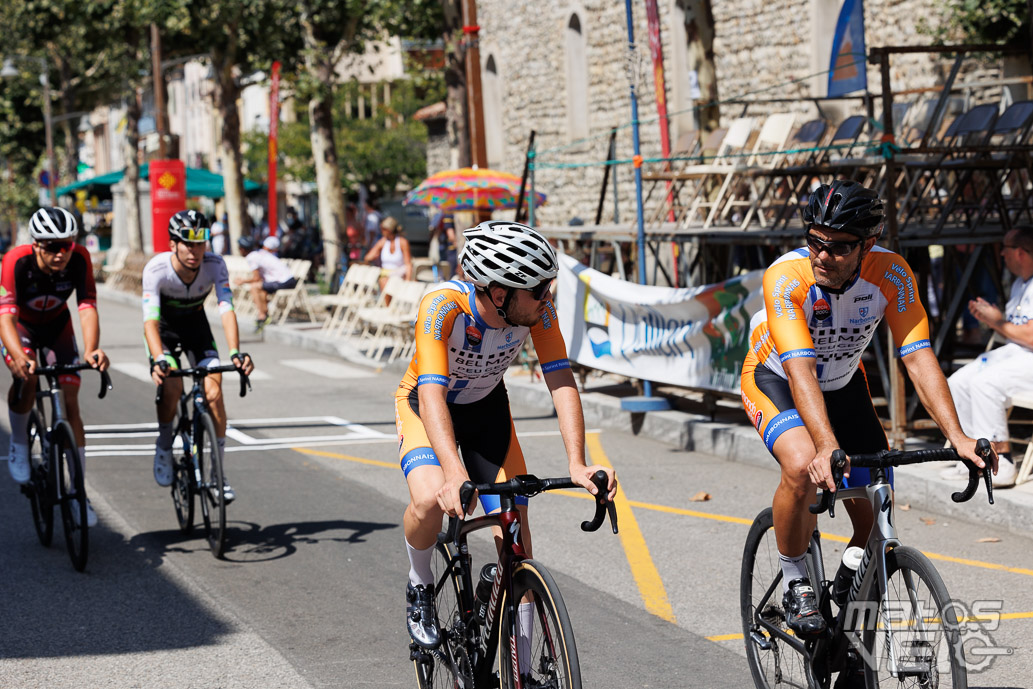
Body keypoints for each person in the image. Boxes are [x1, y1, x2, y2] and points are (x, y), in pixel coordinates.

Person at [739, 180, 992, 642]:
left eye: (837, 248)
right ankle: (796, 580)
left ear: (868, 245)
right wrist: (826, 445)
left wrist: (957, 435)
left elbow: (918, 357)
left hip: (844, 384)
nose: (821, 255)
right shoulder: (785, 277)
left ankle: (854, 642)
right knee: (801, 465)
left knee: (878, 519)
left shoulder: (891, 274)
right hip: (778, 378)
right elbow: (800, 371)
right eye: (814, 241)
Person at [396, 220, 617, 655]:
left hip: (485, 409)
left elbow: (561, 380)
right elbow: (432, 393)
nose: (547, 298)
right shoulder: (443, 307)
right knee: (427, 499)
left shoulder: (537, 309)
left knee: (517, 537)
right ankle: (420, 584)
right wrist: (453, 473)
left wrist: (578, 461)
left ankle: (525, 672)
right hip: (427, 405)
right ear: (500, 294)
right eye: (539, 290)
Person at [1, 207, 110, 526]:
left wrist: (91, 350)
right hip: (21, 328)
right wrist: (19, 357)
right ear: (36, 245)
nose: (61, 253)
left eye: (67, 244)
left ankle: (78, 492)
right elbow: (5, 316)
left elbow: (87, 305)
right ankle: (19, 443)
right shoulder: (16, 260)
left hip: (58, 328)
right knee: (28, 378)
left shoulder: (79, 258)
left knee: (72, 403)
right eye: (52, 247)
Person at [143, 210, 254, 502]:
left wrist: (235, 352)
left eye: (200, 243)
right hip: (164, 332)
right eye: (187, 243)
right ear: (173, 245)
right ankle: (165, 444)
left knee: (214, 392)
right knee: (172, 386)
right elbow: (150, 322)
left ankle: (217, 472)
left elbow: (226, 308)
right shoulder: (157, 270)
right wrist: (159, 359)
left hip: (196, 329)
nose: (195, 251)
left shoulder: (215, 265)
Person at [940, 225, 1033, 488]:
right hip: (1018, 354)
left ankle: (1001, 460)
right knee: (958, 381)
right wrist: (992, 318)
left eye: (1005, 249)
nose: (1002, 254)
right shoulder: (1020, 283)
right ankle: (973, 458)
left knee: (985, 383)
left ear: (1021, 253)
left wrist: (997, 322)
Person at [235, 235, 298, 329]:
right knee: (260, 288)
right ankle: (264, 313)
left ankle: (262, 315)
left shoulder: (252, 257)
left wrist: (242, 281)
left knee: (254, 287)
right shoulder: (259, 254)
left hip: (284, 281)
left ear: (242, 249)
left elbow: (256, 278)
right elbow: (259, 278)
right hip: (288, 280)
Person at [363, 216, 413, 300]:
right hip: (386, 275)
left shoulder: (402, 242)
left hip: (399, 274)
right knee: (384, 281)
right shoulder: (383, 242)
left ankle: (389, 308)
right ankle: (388, 307)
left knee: (386, 281)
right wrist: (375, 255)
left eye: (382, 229)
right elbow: (368, 257)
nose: (381, 231)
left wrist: (408, 281)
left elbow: (408, 264)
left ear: (389, 230)